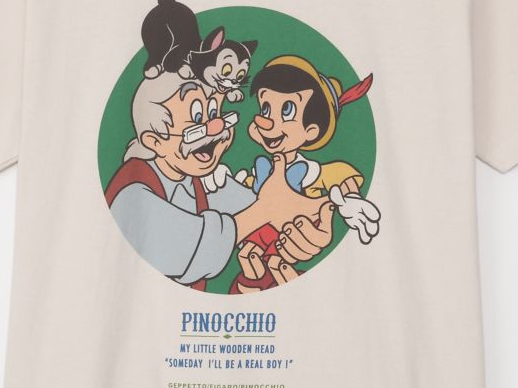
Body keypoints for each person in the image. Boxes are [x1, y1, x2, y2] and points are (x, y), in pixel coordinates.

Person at [105, 72, 335, 290]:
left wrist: (313, 222)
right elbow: (187, 246)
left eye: (214, 112)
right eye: (197, 118)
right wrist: (265, 210)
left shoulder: (204, 183)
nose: (214, 129)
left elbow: (268, 210)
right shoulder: (133, 191)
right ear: (154, 141)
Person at [230, 56, 380, 293]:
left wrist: (350, 202)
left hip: (288, 234)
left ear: (311, 131)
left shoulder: (309, 170)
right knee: (248, 257)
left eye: (286, 110)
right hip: (260, 229)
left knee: (276, 264)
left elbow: (339, 177)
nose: (267, 120)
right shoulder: (263, 166)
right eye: (266, 108)